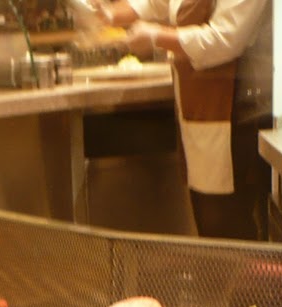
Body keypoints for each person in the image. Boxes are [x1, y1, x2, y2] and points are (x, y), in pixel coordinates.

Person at [104, 0, 273, 241]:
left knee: (228, 226)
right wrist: (109, 14)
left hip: (238, 111)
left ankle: (240, 278)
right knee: (209, 223)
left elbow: (225, 38)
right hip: (203, 109)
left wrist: (157, 36)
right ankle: (218, 278)